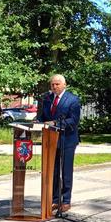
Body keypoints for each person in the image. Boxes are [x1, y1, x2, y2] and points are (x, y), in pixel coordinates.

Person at [38, 74, 81, 213]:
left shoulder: (73, 100)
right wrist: (37, 122)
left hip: (67, 140)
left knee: (66, 171)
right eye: (52, 84)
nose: (54, 87)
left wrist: (55, 123)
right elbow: (42, 118)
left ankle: (66, 200)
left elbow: (73, 120)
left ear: (64, 85)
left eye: (57, 84)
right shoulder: (47, 99)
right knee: (54, 171)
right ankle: (55, 200)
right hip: (50, 140)